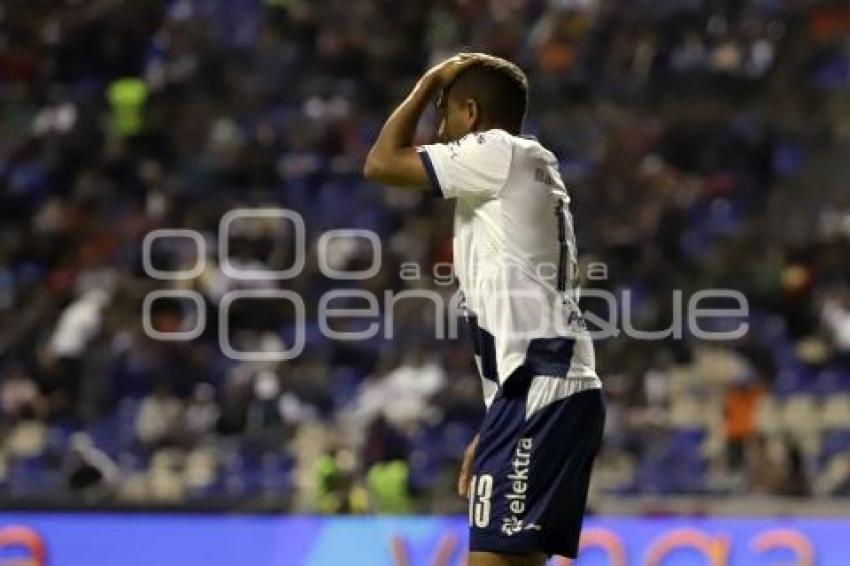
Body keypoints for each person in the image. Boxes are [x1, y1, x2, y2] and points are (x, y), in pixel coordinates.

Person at [364, 53, 605, 565]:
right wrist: (496, 422)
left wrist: (428, 79)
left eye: (444, 114)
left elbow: (382, 161)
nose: (441, 131)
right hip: (536, 392)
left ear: (470, 113)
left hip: (542, 389)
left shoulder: (498, 152)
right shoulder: (516, 167)